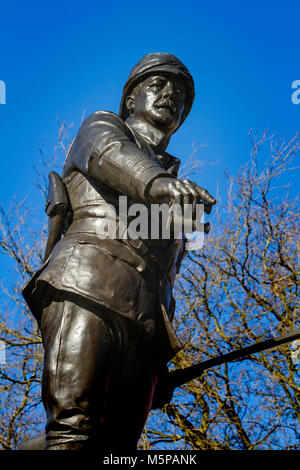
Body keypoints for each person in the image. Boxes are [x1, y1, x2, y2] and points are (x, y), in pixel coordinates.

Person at [22, 53, 216, 451]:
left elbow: (165, 276)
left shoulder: (177, 195)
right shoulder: (102, 126)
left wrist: (159, 362)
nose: (169, 94)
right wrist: (158, 184)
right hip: (87, 286)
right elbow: (112, 155)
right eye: (157, 85)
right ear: (130, 100)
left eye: (178, 92)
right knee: (72, 430)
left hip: (146, 331)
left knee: (118, 451)